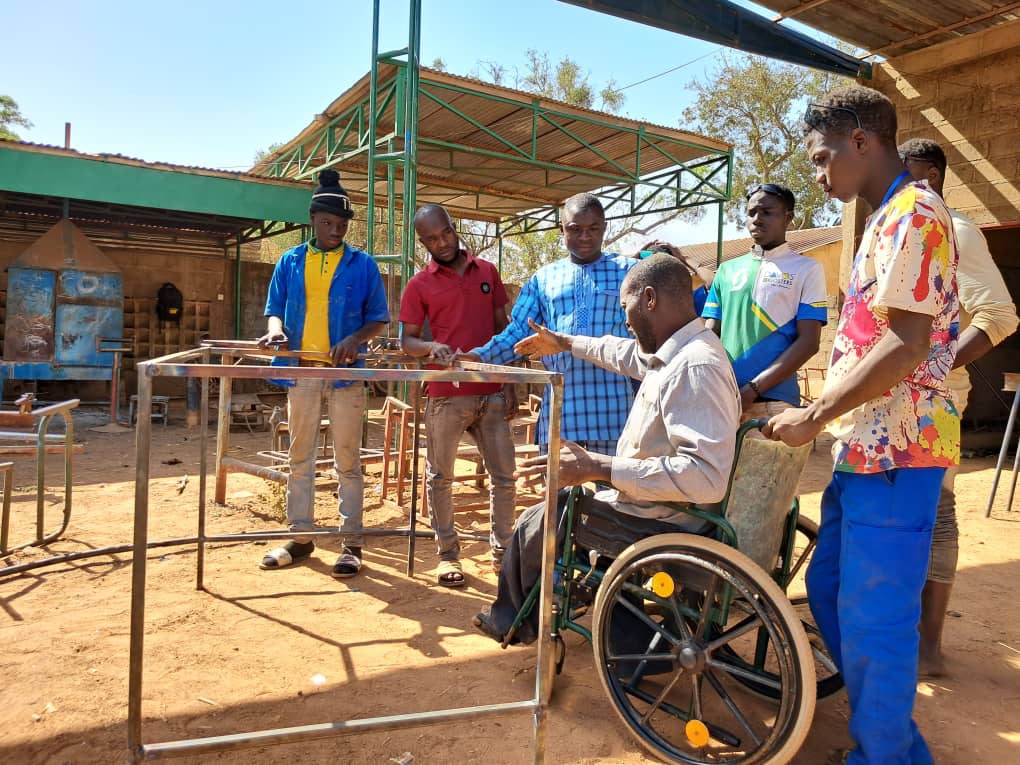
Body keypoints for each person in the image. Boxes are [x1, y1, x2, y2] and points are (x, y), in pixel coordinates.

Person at [765, 85, 960, 765]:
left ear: (860, 141)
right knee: (828, 588)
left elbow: (906, 342)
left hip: (901, 449)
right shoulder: (882, 220)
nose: (819, 176)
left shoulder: (916, 214)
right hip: (866, 446)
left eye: (823, 159)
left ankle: (884, 755)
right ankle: (894, 744)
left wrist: (815, 413)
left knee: (877, 617)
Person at [472, 253, 741, 644]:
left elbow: (706, 477)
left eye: (625, 307)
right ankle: (586, 602)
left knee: (545, 514)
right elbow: (619, 352)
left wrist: (599, 467)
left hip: (664, 519)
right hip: (660, 508)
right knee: (565, 502)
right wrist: (563, 342)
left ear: (649, 299)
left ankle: (513, 618)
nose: (626, 321)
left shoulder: (694, 366)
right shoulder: (677, 352)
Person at [898, 137, 1019, 677]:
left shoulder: (956, 230)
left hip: (937, 398)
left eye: (902, 173)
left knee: (938, 511)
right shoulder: (902, 229)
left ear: (929, 175)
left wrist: (936, 366)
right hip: (893, 398)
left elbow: (998, 314)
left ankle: (930, 646)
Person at [257, 169, 390, 578]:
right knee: (300, 456)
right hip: (302, 372)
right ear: (313, 220)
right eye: (329, 223)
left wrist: (354, 339)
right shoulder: (291, 261)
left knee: (348, 459)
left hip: (345, 374)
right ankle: (300, 537)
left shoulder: (362, 265)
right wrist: (275, 332)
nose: (336, 230)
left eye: (342, 225)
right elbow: (275, 308)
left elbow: (378, 318)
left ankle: (351, 542)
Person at [462, 193, 636, 456]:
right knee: (556, 482)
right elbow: (518, 332)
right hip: (561, 409)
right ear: (561, 229)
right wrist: (479, 356)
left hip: (615, 411)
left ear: (604, 228)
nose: (585, 237)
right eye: (575, 229)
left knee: (614, 482)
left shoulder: (629, 272)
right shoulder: (543, 279)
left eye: (593, 229)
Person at [399, 204, 518, 585]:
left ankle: (503, 553)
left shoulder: (487, 272)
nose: (442, 243)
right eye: (432, 239)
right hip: (445, 394)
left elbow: (504, 330)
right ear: (423, 244)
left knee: (505, 477)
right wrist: (430, 347)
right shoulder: (419, 285)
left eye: (446, 232)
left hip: (492, 391)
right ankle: (448, 555)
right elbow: (407, 341)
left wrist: (510, 383)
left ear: (454, 227)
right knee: (440, 477)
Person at [702, 183, 827, 420]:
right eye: (751, 213)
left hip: (776, 403)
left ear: (788, 218)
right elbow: (710, 335)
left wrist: (752, 390)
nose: (757, 219)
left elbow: (810, 342)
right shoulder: (727, 270)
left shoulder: (807, 269)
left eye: (767, 212)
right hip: (724, 399)